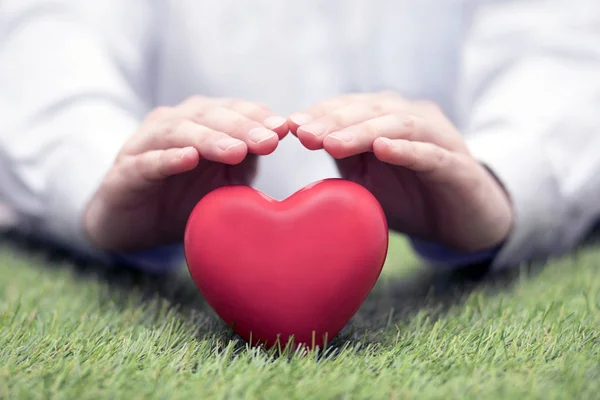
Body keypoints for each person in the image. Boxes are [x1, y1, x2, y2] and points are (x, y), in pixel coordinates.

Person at [0, 0, 599, 275]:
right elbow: (46, 40)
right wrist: (96, 186)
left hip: (454, 201)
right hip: (175, 218)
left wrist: (502, 181)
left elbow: (565, 43)